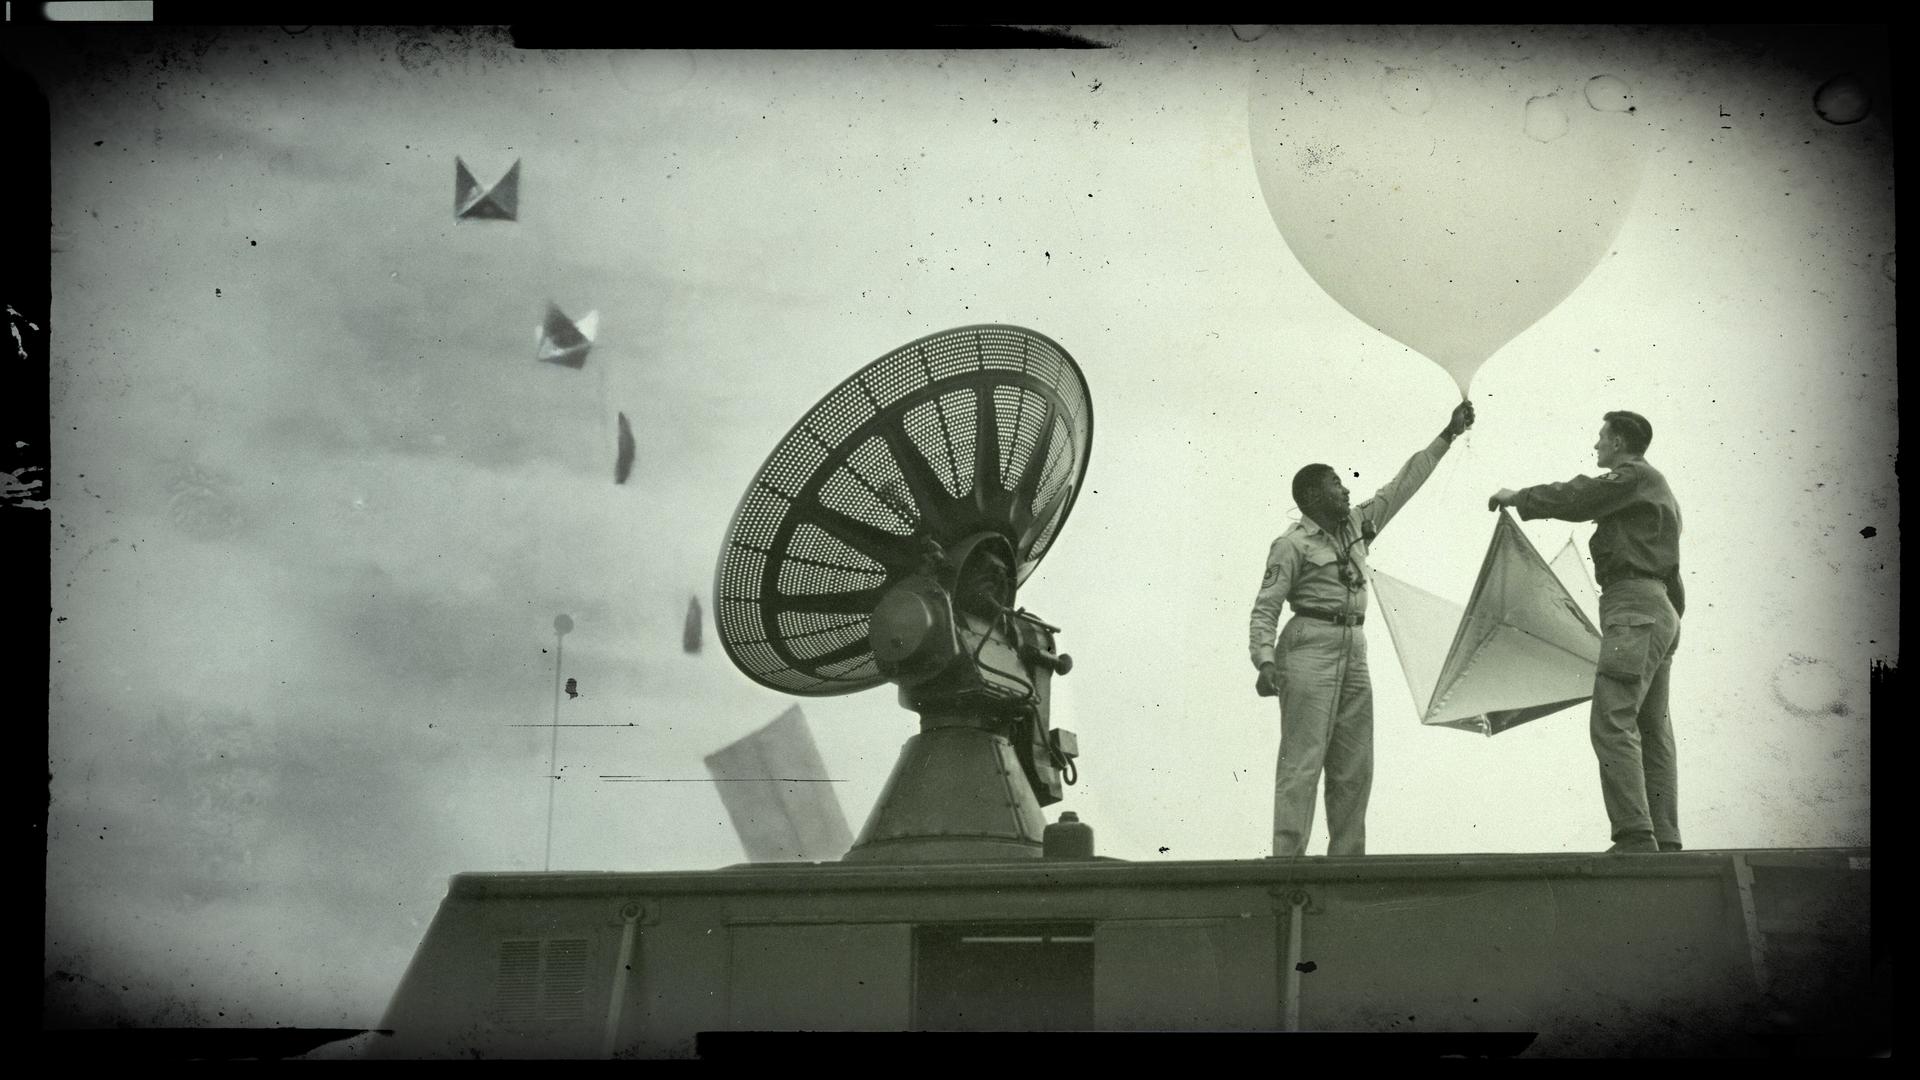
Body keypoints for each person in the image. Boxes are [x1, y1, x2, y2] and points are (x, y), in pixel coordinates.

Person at [1249, 400, 1475, 857]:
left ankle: (1347, 861)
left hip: (1355, 643)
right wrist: (1265, 660)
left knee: (1354, 763)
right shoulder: (1292, 544)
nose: (1345, 489)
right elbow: (1266, 607)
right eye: (1335, 482)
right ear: (1312, 496)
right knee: (1303, 759)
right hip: (1309, 643)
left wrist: (1446, 436)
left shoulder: (1357, 526)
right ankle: (1286, 860)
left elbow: (1402, 484)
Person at [1489, 410, 1684, 854]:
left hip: (1634, 606)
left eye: (1601, 438)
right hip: (1657, 609)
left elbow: (1580, 496)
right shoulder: (1654, 488)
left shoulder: (1632, 476)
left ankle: (1636, 834)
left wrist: (1519, 497)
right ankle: (1664, 837)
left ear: (1618, 442)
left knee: (1613, 718)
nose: (1596, 446)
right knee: (1651, 727)